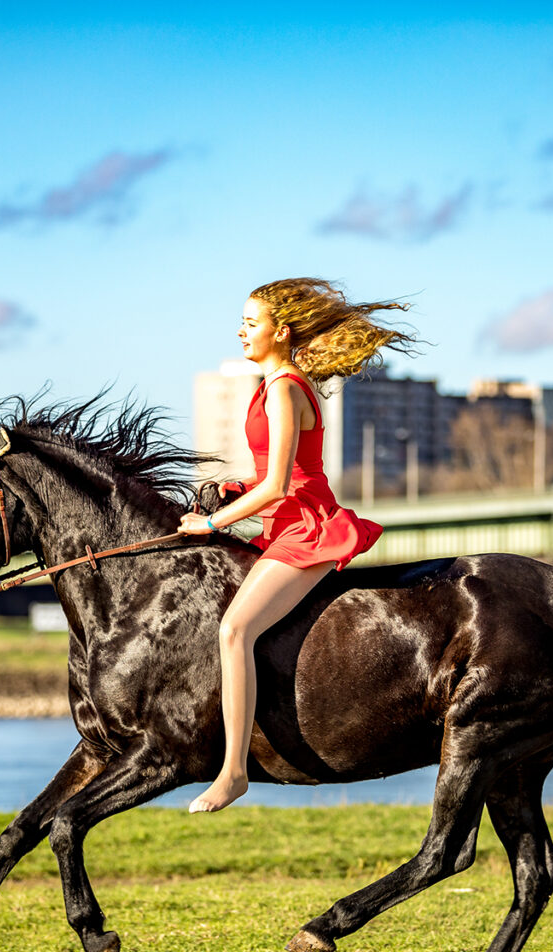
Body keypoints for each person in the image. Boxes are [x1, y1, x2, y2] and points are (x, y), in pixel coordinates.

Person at [177, 278, 417, 813]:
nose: (242, 331)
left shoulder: (286, 388)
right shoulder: (270, 385)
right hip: (281, 520)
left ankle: (234, 772)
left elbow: (283, 484)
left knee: (234, 629)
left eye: (251, 322)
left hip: (305, 525)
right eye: (241, 321)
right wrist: (238, 489)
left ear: (281, 331)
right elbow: (272, 475)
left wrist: (213, 522)